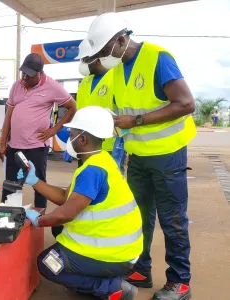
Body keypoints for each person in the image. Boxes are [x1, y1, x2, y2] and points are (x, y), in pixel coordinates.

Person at [84, 12, 197, 300]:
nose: (101, 58)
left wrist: (136, 121)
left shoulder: (158, 58)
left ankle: (180, 281)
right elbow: (123, 112)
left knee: (172, 219)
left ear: (121, 40)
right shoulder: (117, 69)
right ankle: (141, 269)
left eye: (103, 51)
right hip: (138, 156)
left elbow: (185, 103)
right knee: (140, 216)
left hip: (168, 155)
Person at [22, 106, 143, 300]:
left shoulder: (92, 171)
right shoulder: (101, 160)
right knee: (59, 230)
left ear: (83, 139)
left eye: (72, 134)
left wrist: (39, 219)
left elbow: (64, 213)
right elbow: (65, 197)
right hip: (123, 250)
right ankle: (98, 277)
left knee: (47, 263)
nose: (69, 138)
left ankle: (111, 287)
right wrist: (35, 181)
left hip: (115, 255)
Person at [0, 53, 77, 208]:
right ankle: (8, 214)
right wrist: (3, 143)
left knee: (39, 184)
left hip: (36, 147)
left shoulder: (52, 86)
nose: (24, 78)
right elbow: (9, 116)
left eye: (29, 75)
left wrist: (55, 129)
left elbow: (72, 107)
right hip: (14, 146)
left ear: (40, 74)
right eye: (23, 74)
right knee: (10, 184)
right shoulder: (17, 86)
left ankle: (39, 216)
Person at [63, 40, 126, 174]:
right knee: (85, 187)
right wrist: (71, 141)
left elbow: (124, 114)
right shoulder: (84, 83)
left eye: (85, 60)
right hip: (84, 147)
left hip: (108, 148)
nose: (82, 64)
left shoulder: (115, 78)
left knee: (108, 189)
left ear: (98, 59)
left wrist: (119, 148)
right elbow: (79, 117)